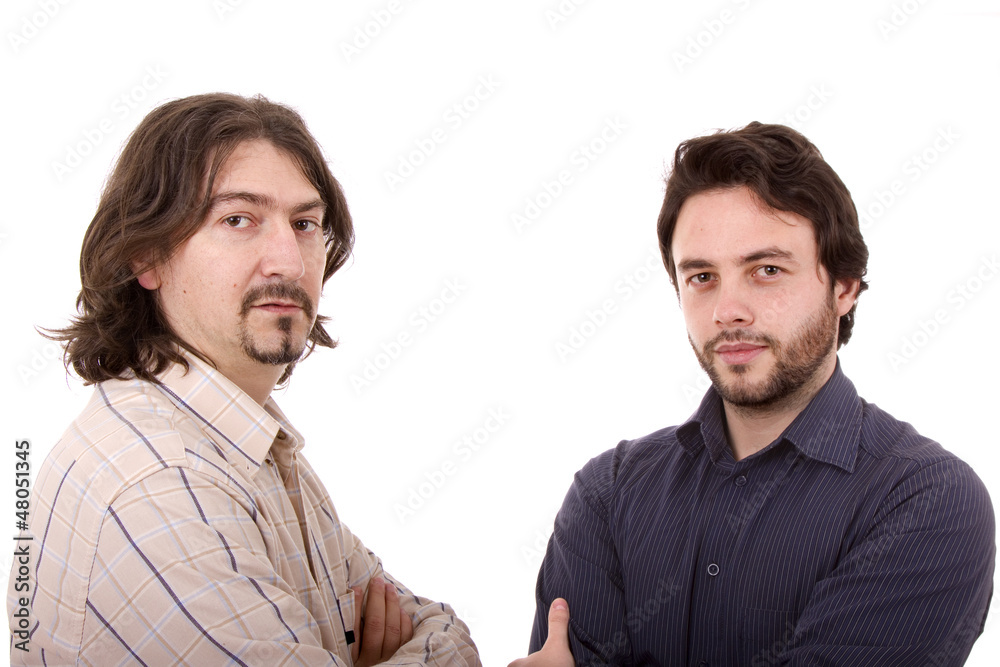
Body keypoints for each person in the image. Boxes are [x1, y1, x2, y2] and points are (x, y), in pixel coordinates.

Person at [7, 93, 481, 666]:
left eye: (305, 224)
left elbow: (433, 625)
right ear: (146, 257)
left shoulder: (251, 449)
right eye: (239, 220)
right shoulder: (164, 485)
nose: (290, 260)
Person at [519, 122, 995, 665]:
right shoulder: (608, 494)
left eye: (767, 270)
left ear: (844, 287)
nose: (728, 310)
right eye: (702, 277)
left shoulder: (927, 501)